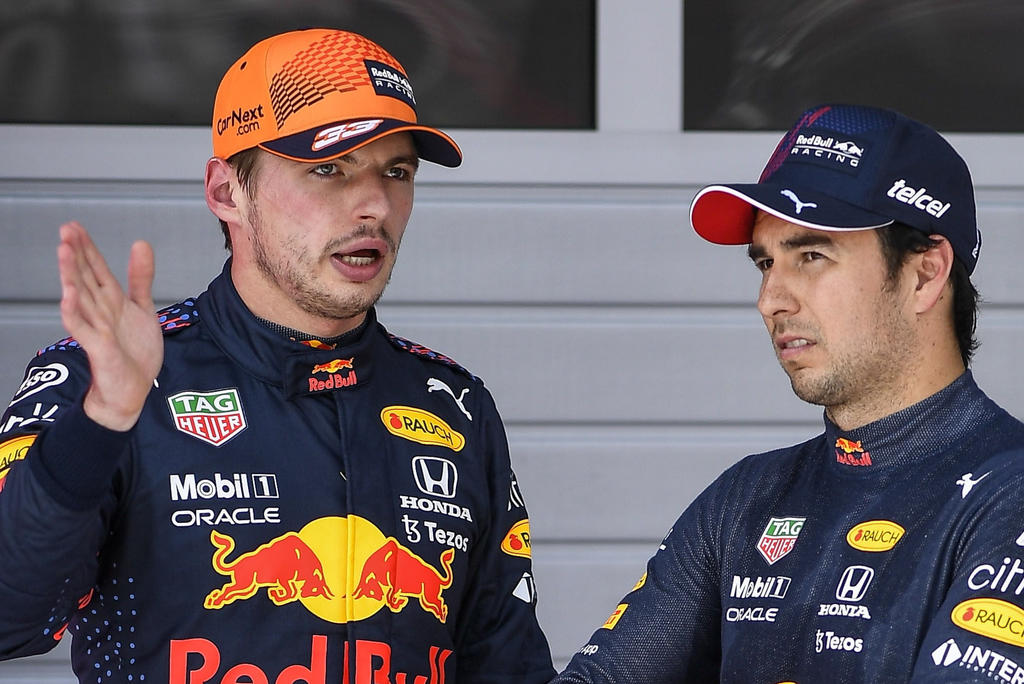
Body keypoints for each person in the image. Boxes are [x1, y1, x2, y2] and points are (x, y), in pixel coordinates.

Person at [0, 28, 555, 684]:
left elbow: (508, 667)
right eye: (329, 168)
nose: (374, 205)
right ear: (226, 192)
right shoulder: (101, 377)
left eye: (397, 171)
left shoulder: (455, 406)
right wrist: (103, 420)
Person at [553, 104, 1024, 682]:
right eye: (765, 263)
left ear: (925, 274)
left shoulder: (1010, 494)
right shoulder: (746, 497)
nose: (770, 299)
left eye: (811, 256)